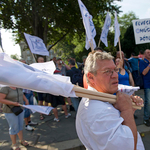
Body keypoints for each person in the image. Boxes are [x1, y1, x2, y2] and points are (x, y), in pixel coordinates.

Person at [76, 51, 144, 150]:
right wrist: (126, 110)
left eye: (115, 70)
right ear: (91, 77)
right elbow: (128, 147)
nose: (115, 75)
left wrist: (128, 109)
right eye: (107, 71)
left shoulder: (101, 99)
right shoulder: (97, 110)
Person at [139, 49, 150, 126]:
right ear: (145, 54)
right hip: (147, 85)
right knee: (148, 102)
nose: (149, 53)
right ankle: (146, 118)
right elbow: (143, 72)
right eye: (148, 52)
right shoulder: (143, 62)